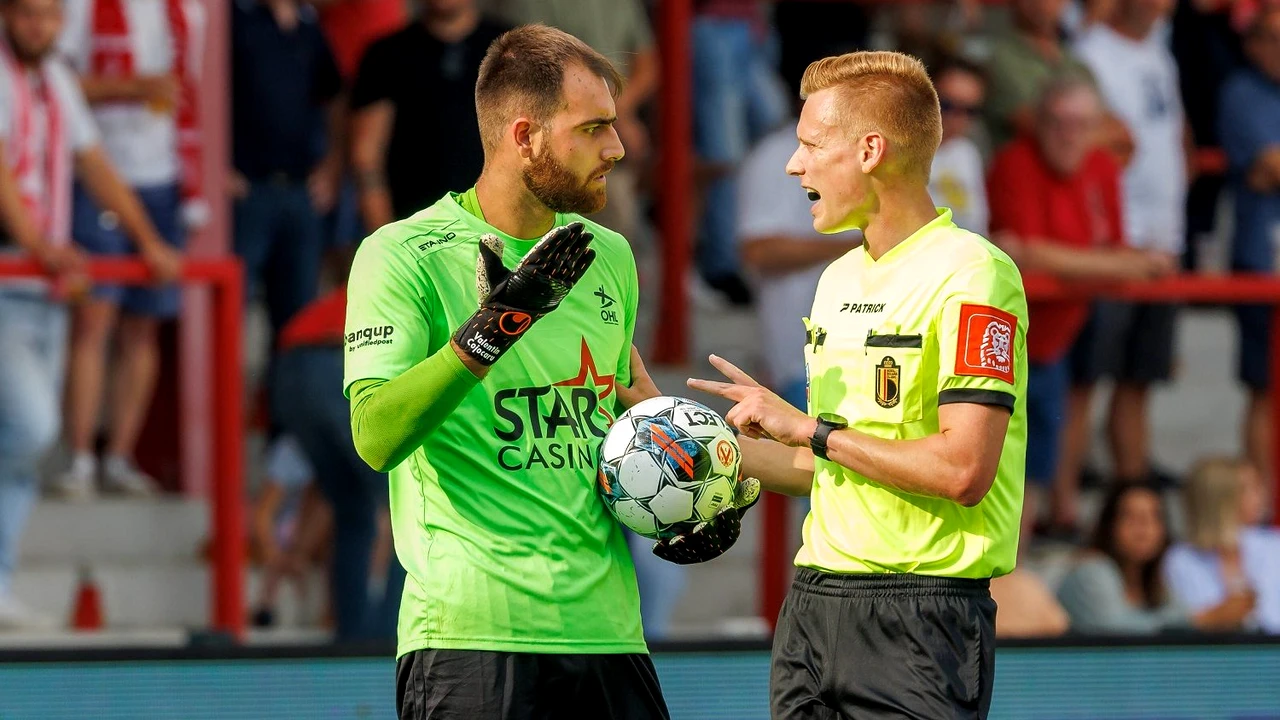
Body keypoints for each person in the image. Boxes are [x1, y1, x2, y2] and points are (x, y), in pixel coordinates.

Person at [689, 50, 1029, 718]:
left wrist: (814, 430)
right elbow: (826, 466)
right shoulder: (837, 278)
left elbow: (963, 470)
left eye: (812, 145)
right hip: (814, 605)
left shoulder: (974, 275)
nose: (795, 165)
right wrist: (669, 426)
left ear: (871, 150)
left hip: (922, 616)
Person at [344, 25, 672, 718]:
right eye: (595, 128)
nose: (617, 147)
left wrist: (688, 495)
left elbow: (612, 431)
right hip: (471, 636)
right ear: (525, 137)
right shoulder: (401, 255)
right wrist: (493, 328)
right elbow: (375, 436)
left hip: (610, 636)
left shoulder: (607, 255)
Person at [0, 0, 178, 627]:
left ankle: (0, 584)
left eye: (49, 17)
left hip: (40, 284)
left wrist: (147, 239)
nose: (40, 28)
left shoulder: (52, 80)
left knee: (19, 450)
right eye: (28, 16)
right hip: (10, 274)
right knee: (28, 429)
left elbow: (94, 163)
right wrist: (40, 244)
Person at [986, 75, 1175, 542]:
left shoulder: (1101, 167)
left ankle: (1042, 535)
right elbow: (1022, 250)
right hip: (1011, 334)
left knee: (1046, 446)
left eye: (1081, 125)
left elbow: (1096, 246)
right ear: (1040, 123)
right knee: (1006, 452)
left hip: (1068, 323)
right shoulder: (1014, 163)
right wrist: (1120, 265)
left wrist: (1103, 263)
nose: (1069, 134)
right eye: (1058, 123)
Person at [53, 0, 205, 498]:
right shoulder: (79, 7)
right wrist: (131, 87)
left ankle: (119, 457)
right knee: (94, 320)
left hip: (163, 177)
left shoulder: (188, 12)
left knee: (144, 328)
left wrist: (196, 188)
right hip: (96, 171)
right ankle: (78, 457)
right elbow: (55, 84)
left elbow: (193, 97)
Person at [1072, 0, 1190, 488]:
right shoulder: (1091, 52)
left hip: (1165, 232)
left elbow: (1175, 134)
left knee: (1142, 371)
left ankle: (1131, 476)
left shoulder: (1160, 54)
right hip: (1118, 237)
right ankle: (1068, 484)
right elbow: (1089, 138)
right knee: (1089, 374)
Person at [275, 284, 405, 641]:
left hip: (289, 369)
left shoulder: (384, 267)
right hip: (337, 360)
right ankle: (391, 637)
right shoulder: (440, 275)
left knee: (354, 508)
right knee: (407, 497)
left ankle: (354, 636)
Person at [349, 0, 509, 230]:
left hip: (497, 228)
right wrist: (387, 240)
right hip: (415, 231)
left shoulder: (511, 52)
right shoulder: (386, 54)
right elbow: (366, 158)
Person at [1056, 482, 1255, 634]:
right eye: (1131, 518)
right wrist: (1202, 620)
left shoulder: (1156, 578)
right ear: (1109, 526)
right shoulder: (1091, 570)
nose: (1144, 529)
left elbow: (1178, 613)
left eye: (1154, 517)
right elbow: (1115, 631)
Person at [1221, 7, 1280, 485]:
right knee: (1265, 387)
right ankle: (1264, 499)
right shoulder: (1242, 91)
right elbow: (1267, 164)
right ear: (1254, 42)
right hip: (1262, 259)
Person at [1164, 457, 1280, 633]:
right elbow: (1178, 627)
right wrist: (1217, 616)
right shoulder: (1180, 560)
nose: (1261, 495)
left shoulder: (1273, 546)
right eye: (1247, 489)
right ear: (1220, 499)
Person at [929, 57, 989, 236]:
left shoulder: (967, 152)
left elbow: (980, 230)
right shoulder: (889, 152)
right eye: (946, 105)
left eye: (969, 111)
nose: (957, 118)